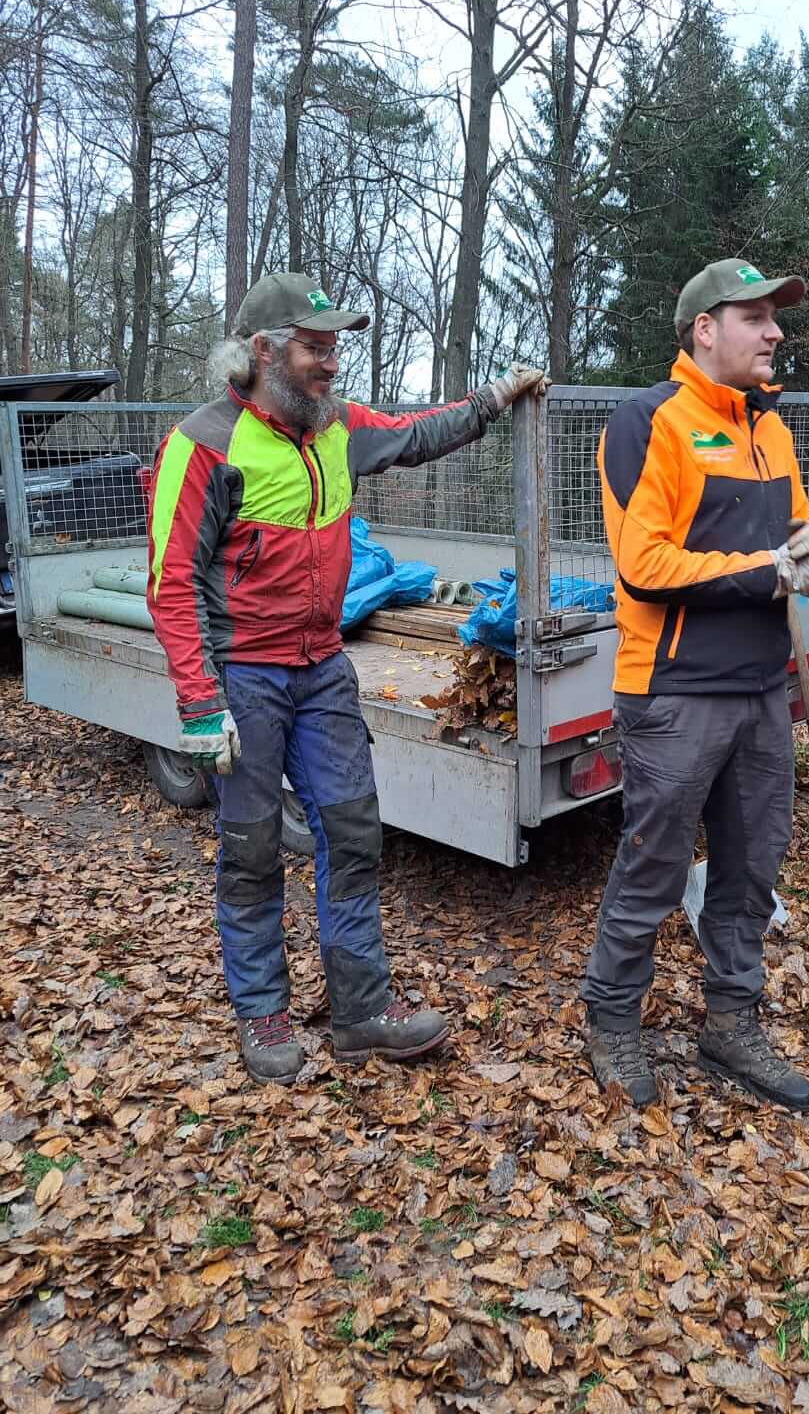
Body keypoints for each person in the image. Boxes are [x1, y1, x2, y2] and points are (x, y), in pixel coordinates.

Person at [146, 270, 546, 1083]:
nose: (330, 362)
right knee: (253, 849)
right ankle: (263, 1013)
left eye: (334, 347)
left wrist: (497, 397)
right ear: (263, 351)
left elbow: (416, 431)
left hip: (322, 668)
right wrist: (198, 699)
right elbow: (170, 582)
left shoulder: (336, 428)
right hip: (244, 679)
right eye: (314, 346)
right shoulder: (203, 445)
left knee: (353, 833)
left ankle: (362, 1011)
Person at [580, 259, 809, 1113]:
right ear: (706, 328)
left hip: (760, 688)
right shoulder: (648, 422)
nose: (775, 331)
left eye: (777, 318)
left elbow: (794, 535)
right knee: (654, 867)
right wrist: (773, 572)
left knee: (752, 869)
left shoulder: (769, 429)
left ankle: (730, 1021)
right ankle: (611, 1017)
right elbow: (644, 562)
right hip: (671, 691)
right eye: (756, 317)